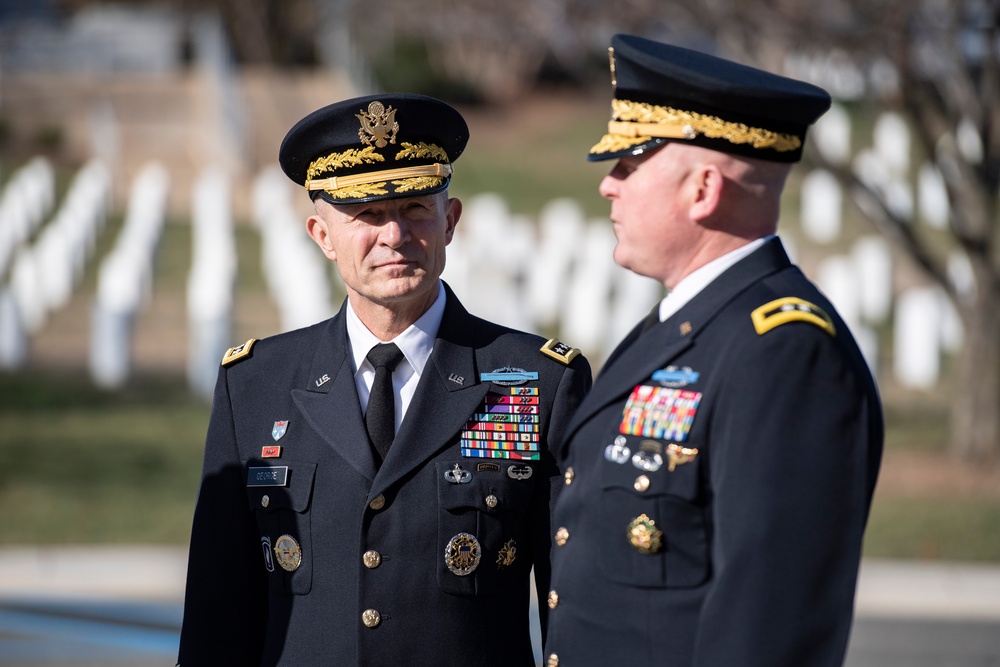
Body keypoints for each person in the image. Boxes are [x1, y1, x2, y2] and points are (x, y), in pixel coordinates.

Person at [177, 93, 591, 666]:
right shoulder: (255, 382)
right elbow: (216, 614)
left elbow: (571, 607)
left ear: (450, 222)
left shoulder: (537, 381)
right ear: (322, 235)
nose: (394, 235)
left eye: (416, 209)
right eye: (367, 215)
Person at [543, 34, 883, 667]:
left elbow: (770, 628)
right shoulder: (687, 327)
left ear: (703, 190)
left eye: (628, 165)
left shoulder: (785, 355)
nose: (607, 188)